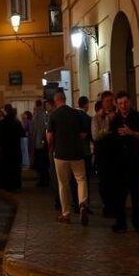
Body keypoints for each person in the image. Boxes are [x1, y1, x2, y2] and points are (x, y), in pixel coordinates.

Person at [46, 90, 88, 225]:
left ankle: (66, 214)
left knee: (63, 184)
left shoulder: (53, 115)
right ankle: (82, 203)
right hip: (77, 153)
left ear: (56, 101)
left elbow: (49, 136)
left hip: (60, 154)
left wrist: (51, 149)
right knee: (81, 179)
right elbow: (83, 134)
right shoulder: (76, 113)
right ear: (65, 99)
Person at [110, 91, 139, 233]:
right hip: (119, 164)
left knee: (135, 194)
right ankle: (121, 223)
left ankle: (137, 223)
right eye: (120, 103)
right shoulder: (116, 119)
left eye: (125, 102)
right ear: (117, 105)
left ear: (130, 102)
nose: (123, 106)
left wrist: (132, 133)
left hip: (135, 162)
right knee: (120, 195)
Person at [92, 92, 117, 217]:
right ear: (102, 102)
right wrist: (107, 125)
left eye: (112, 100)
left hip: (115, 153)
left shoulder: (117, 115)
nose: (110, 103)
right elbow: (96, 136)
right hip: (102, 154)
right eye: (107, 101)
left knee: (115, 181)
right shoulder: (97, 118)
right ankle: (107, 206)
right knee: (103, 182)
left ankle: (115, 206)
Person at [0, 105, 24, 191]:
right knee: (15, 167)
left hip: (5, 149)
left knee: (6, 167)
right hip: (15, 148)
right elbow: (22, 133)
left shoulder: (3, 122)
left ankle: (6, 184)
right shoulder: (17, 122)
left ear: (5, 111)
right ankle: (15, 184)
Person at [32, 100, 50, 187]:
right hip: (41, 142)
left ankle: (43, 180)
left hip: (39, 143)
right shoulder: (44, 115)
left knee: (41, 162)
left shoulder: (39, 116)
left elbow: (36, 130)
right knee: (42, 162)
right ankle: (44, 179)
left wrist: (36, 141)